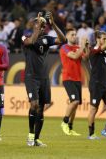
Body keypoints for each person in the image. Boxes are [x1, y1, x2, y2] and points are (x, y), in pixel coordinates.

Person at [22, 11, 66, 147]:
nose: (41, 26)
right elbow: (32, 41)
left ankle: (36, 139)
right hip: (31, 77)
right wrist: (37, 27)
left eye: (42, 25)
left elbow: (63, 40)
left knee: (41, 108)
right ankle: (30, 135)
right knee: (34, 105)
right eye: (38, 23)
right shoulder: (25, 37)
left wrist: (53, 25)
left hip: (44, 78)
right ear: (34, 25)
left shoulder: (47, 39)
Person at [60, 28, 89, 136]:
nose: (74, 36)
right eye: (72, 34)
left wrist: (86, 46)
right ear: (67, 36)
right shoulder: (64, 47)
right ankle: (64, 122)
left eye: (75, 34)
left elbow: (86, 58)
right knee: (75, 101)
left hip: (77, 79)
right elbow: (75, 56)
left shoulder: (78, 47)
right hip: (68, 78)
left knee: (76, 105)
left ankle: (70, 127)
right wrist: (82, 45)